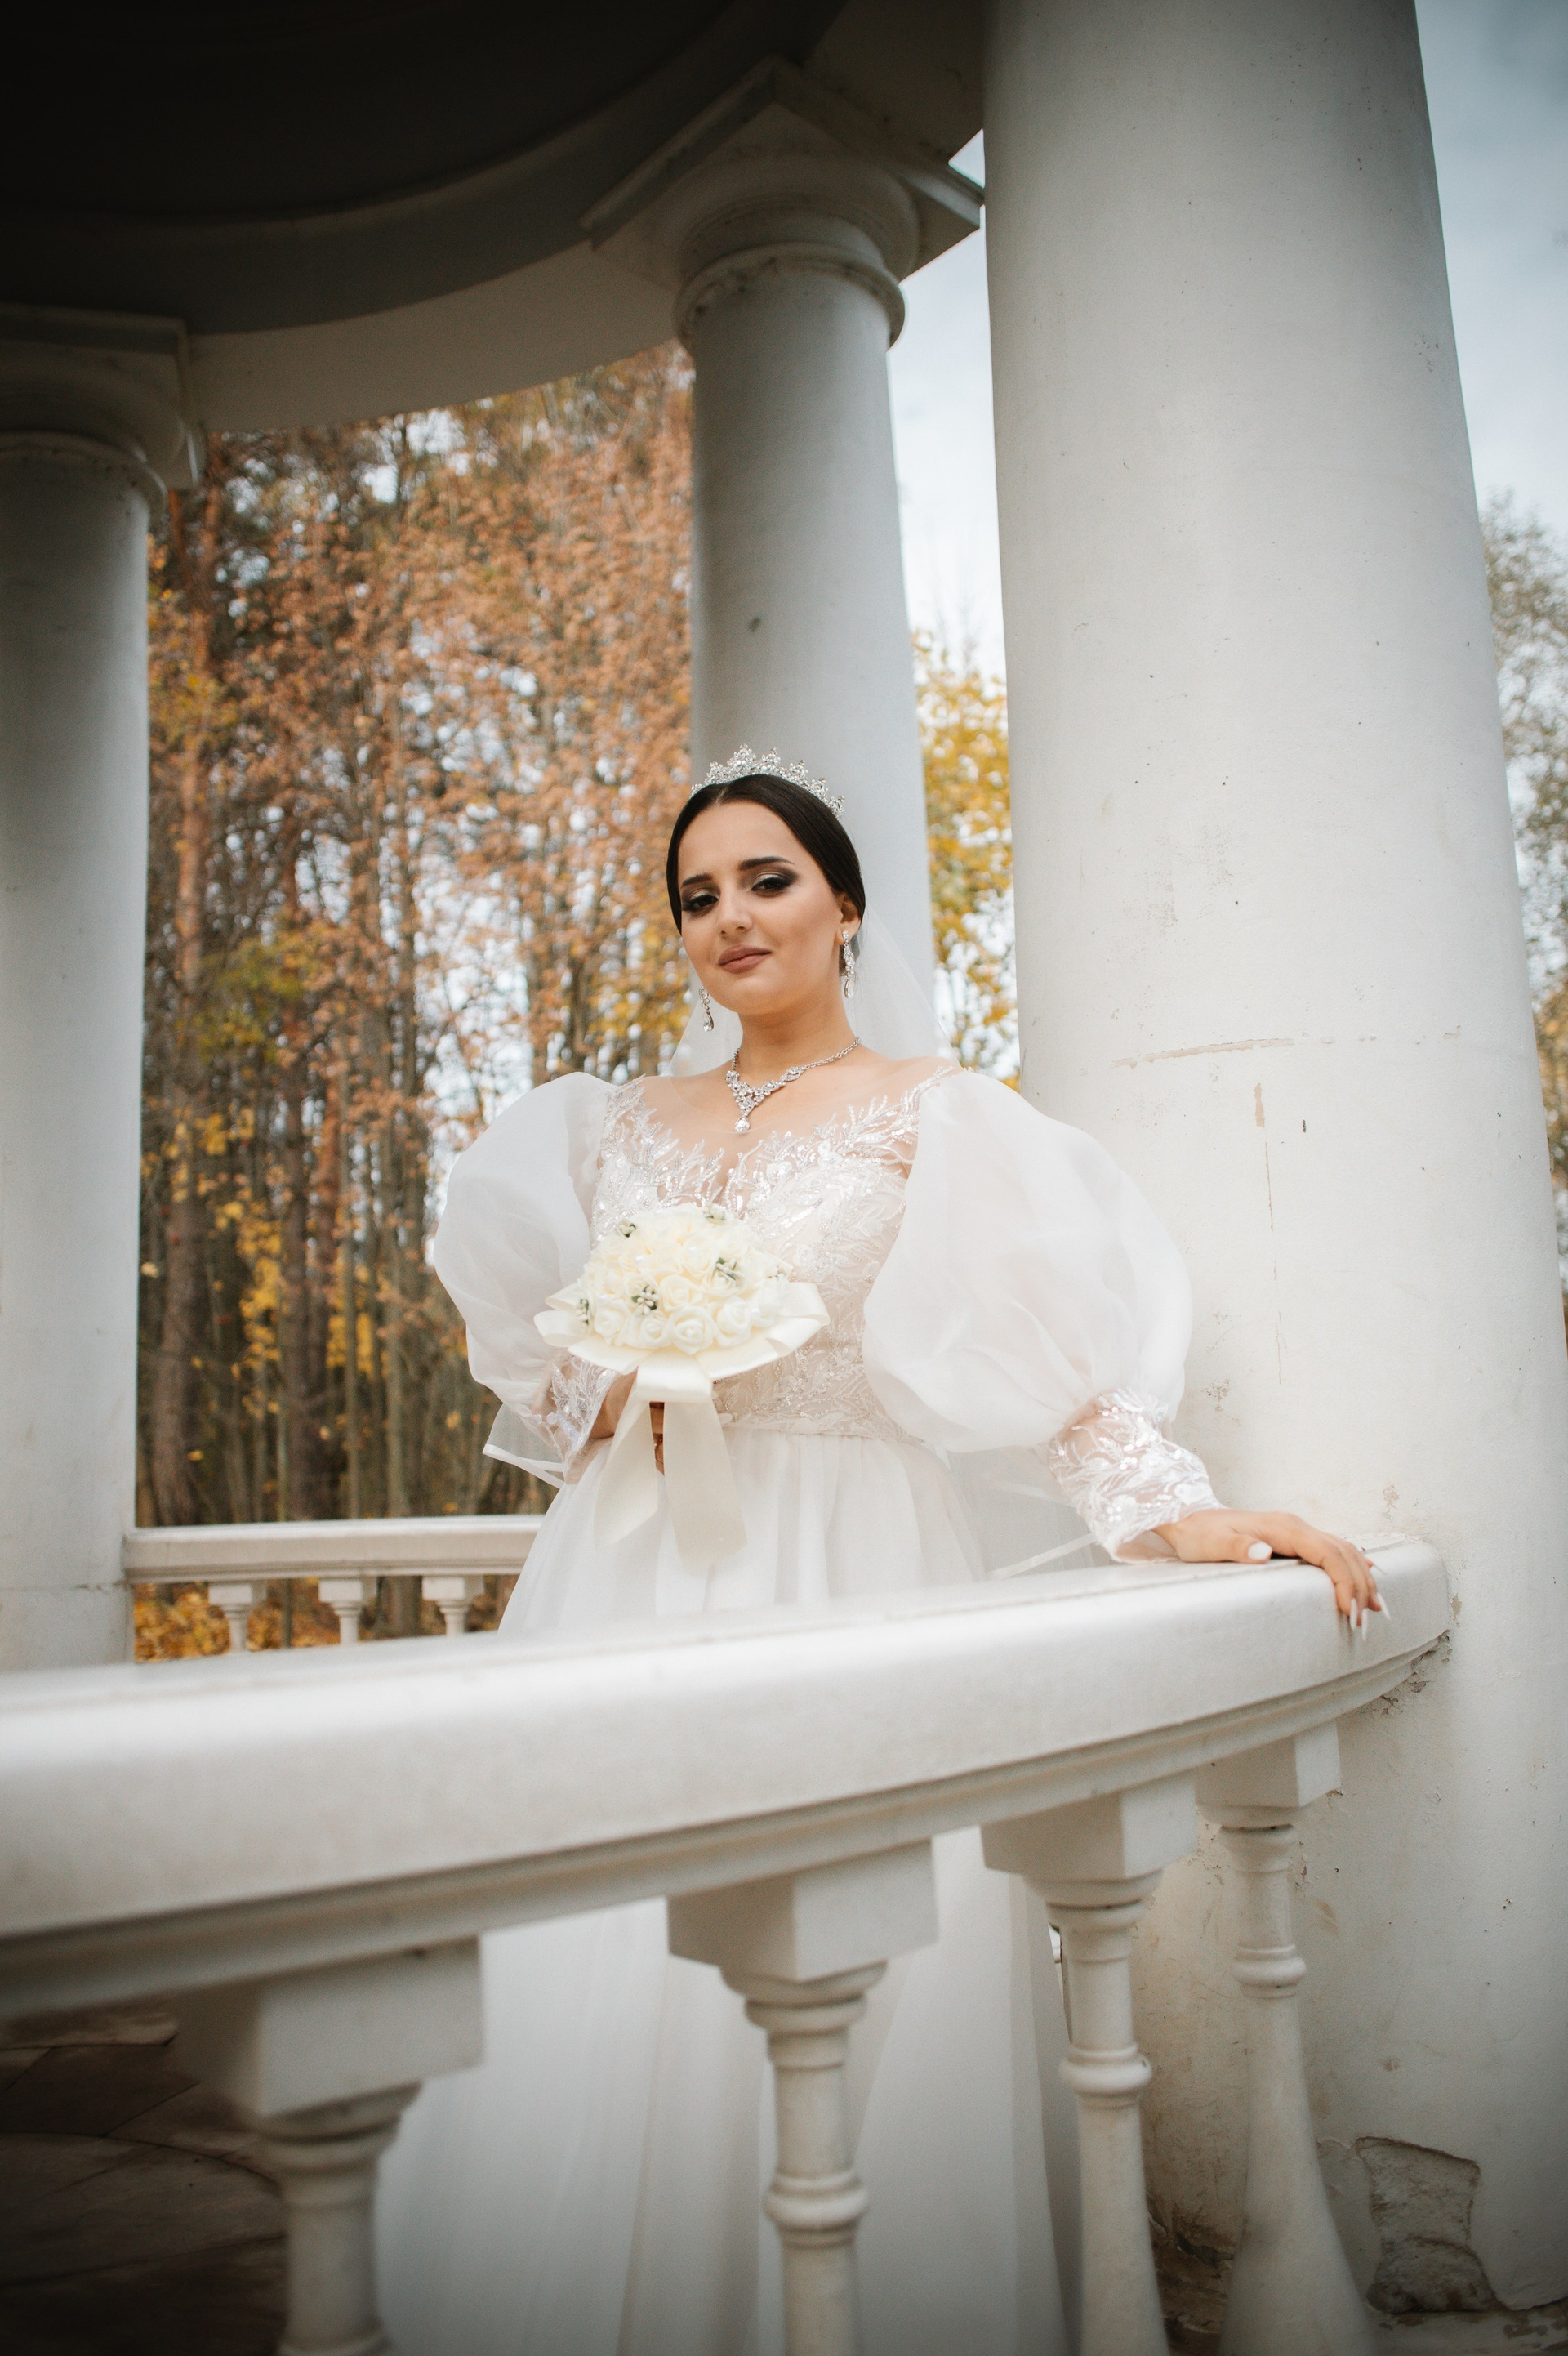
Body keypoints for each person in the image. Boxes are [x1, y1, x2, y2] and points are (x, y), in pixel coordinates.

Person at [376, 752, 1383, 2356]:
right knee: (606, 1931)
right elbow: (559, 1392)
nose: (730, 916)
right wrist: (622, 1372)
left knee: (853, 1922)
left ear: (845, 904)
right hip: (627, 1568)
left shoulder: (939, 1114)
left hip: (850, 1554)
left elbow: (1039, 1368)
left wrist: (1176, 1509)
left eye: (767, 879)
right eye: (698, 894)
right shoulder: (611, 1126)